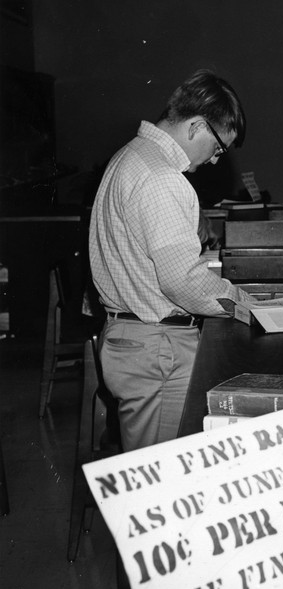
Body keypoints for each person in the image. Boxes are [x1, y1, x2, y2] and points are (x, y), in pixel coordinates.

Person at [90, 69, 253, 452]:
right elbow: (182, 280)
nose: (215, 161)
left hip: (136, 338)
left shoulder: (129, 155)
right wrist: (244, 302)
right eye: (218, 149)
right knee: (161, 478)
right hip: (157, 346)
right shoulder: (161, 177)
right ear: (197, 125)